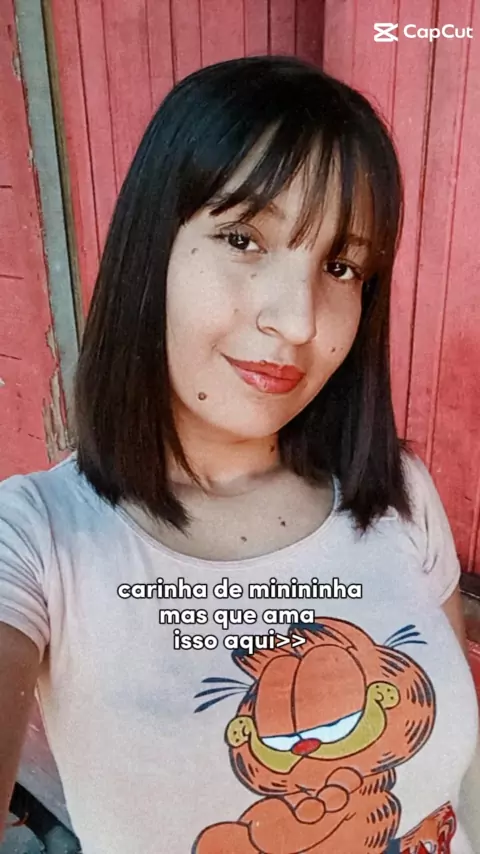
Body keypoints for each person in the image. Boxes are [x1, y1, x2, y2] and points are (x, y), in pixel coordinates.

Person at [0, 55, 478, 854]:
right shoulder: (35, 539)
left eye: (341, 266)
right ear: (152, 248)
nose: (297, 320)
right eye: (243, 238)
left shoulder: (401, 493)